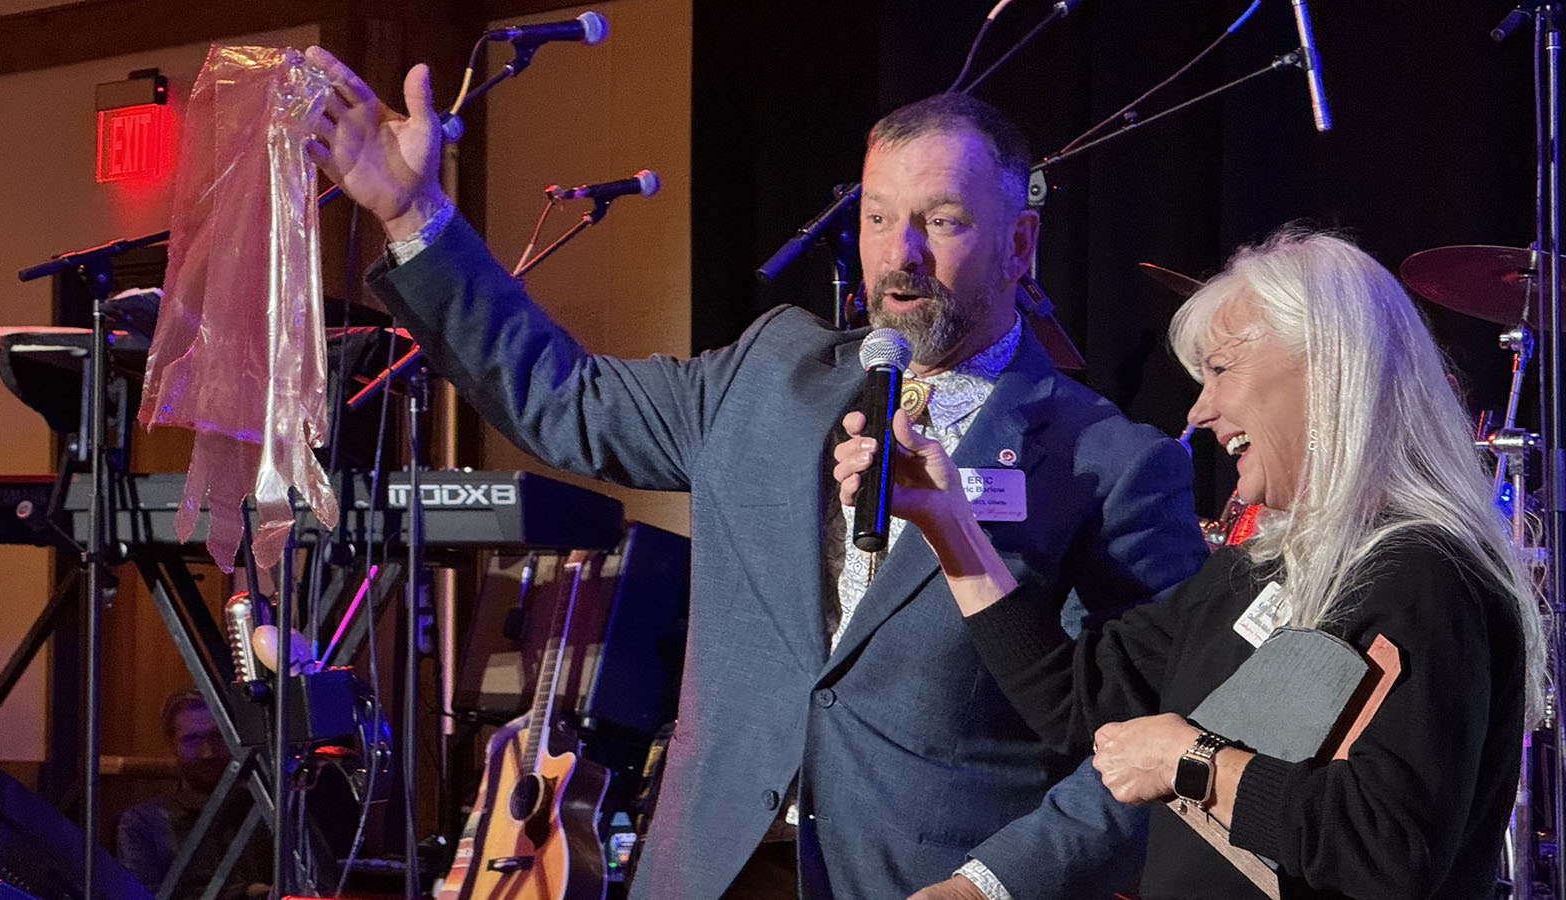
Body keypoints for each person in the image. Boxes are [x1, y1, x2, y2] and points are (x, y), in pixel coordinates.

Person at [304, 46, 1208, 899]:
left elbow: (1143, 745)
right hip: (712, 867)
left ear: (1019, 247)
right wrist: (413, 216)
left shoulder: (1112, 465)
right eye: (879, 216)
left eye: (943, 220)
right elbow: (563, 397)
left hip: (923, 878)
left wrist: (994, 883)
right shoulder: (769, 375)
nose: (902, 254)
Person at [834, 228, 1550, 898]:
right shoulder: (1258, 570)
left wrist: (1193, 762)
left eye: (1220, 370)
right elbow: (1075, 700)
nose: (1199, 410)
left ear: (1325, 369)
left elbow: (1391, 844)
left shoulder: (1426, 573)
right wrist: (948, 523)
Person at [116, 689, 272, 900]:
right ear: (172, 743)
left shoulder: (264, 811)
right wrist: (246, 893)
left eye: (217, 736)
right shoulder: (142, 824)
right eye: (192, 740)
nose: (207, 752)